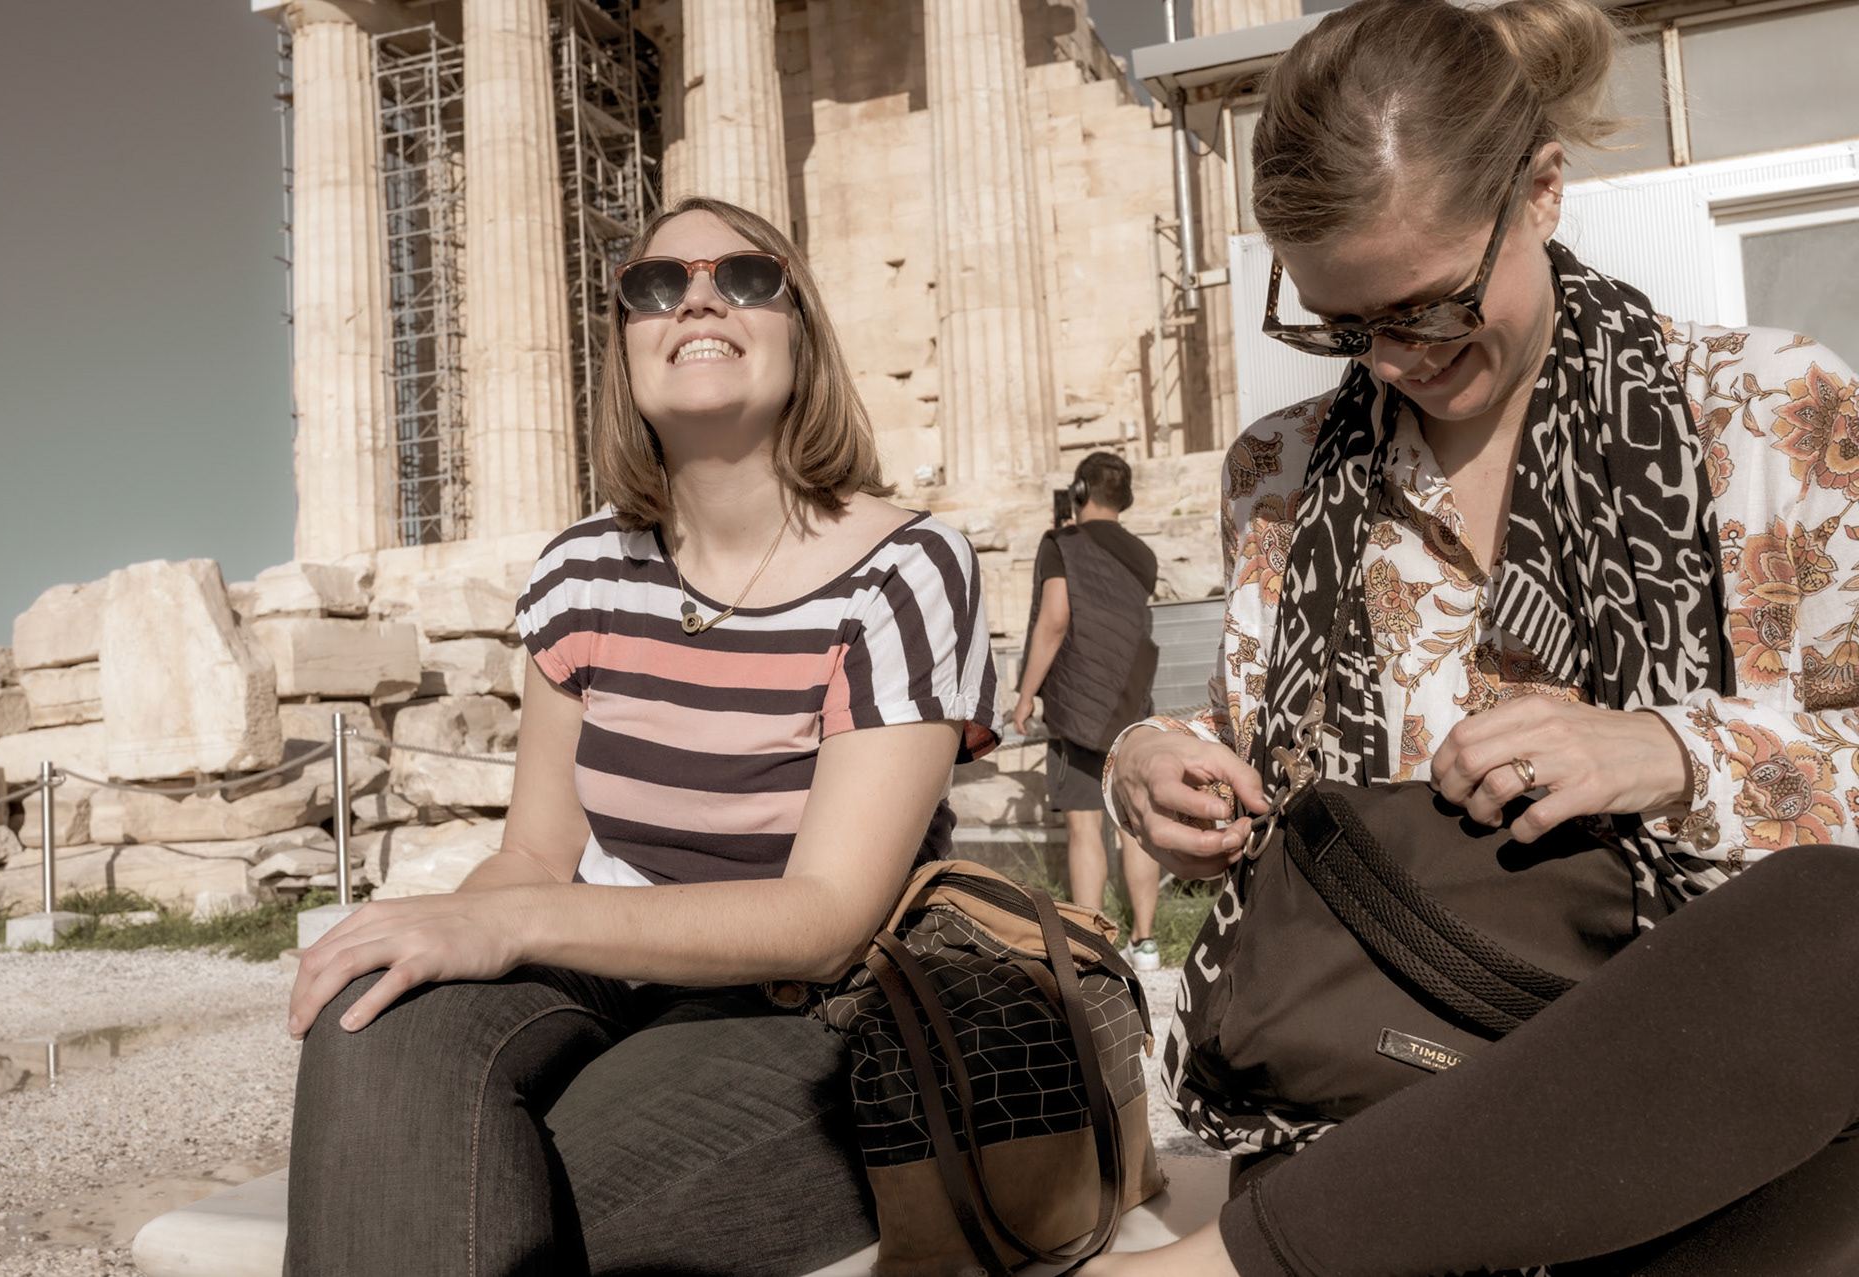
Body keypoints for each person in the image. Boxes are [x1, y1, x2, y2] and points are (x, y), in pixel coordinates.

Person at [1084, 0, 1859, 1272]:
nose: (1391, 361)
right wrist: (1154, 765)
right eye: (1340, 327)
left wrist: (1672, 750)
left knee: (1840, 929)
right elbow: (1262, 763)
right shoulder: (1277, 474)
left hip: (1689, 1107)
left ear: (1544, 191)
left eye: (1431, 308)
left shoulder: (1777, 413)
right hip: (1374, 1087)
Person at [281, 196, 1001, 1276]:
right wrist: (438, 931)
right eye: (656, 285)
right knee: (375, 1023)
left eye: (745, 278)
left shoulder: (906, 570)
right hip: (610, 969)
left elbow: (824, 919)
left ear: (801, 328)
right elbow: (534, 852)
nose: (699, 297)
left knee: (484, 1191)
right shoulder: (582, 570)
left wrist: (515, 924)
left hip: (818, 1003)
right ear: (625, 346)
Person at [1012, 451, 1164, 969]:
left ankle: (1091, 945)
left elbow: (1055, 620)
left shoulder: (1063, 544)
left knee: (1084, 828)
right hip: (1133, 698)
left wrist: (1026, 692)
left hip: (1078, 701)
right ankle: (1145, 942)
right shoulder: (1143, 555)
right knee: (1135, 824)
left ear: (1078, 493)